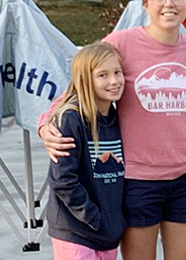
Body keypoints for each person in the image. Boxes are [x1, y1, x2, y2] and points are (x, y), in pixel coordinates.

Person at [39, 0, 186, 260]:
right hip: (139, 179)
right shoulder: (122, 43)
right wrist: (45, 126)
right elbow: (79, 85)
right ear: (145, 3)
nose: (169, 4)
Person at [46, 42, 126, 260]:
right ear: (85, 79)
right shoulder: (71, 119)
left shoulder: (118, 117)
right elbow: (62, 179)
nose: (114, 81)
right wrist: (93, 216)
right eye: (103, 75)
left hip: (108, 231)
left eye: (117, 72)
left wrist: (113, 221)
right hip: (75, 231)